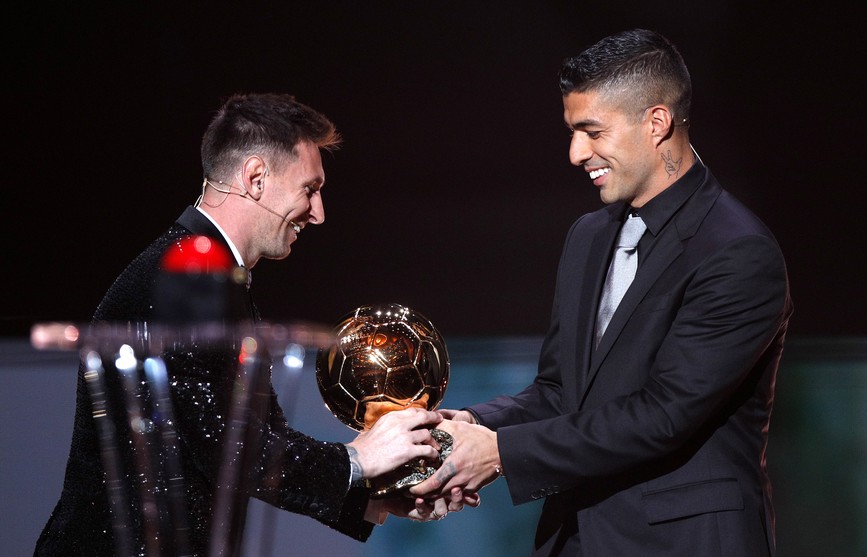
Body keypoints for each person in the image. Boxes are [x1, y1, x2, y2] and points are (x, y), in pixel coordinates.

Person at [35, 93, 472, 556]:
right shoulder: (184, 275)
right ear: (256, 178)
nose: (319, 212)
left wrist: (379, 494)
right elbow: (223, 445)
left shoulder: (213, 274)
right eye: (310, 188)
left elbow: (256, 439)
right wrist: (357, 460)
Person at [411, 29, 792, 556]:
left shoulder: (738, 253)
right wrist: (476, 424)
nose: (575, 153)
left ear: (656, 123)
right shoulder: (588, 236)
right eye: (572, 132)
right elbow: (559, 392)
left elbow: (664, 414)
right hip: (574, 538)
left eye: (592, 131)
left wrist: (499, 452)